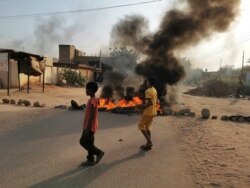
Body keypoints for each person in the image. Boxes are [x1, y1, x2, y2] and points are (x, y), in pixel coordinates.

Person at [79, 81, 104, 166]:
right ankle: (90, 160)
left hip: (89, 126)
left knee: (82, 142)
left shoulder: (92, 101)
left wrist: (87, 128)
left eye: (87, 89)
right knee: (89, 143)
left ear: (91, 90)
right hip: (92, 125)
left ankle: (98, 152)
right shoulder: (94, 100)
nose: (85, 91)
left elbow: (92, 115)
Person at [137, 77, 157, 151]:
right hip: (153, 111)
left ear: (149, 82)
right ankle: (148, 144)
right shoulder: (154, 90)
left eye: (147, 81)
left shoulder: (148, 91)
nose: (146, 83)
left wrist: (139, 106)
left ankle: (149, 142)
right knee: (147, 127)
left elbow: (149, 103)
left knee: (140, 126)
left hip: (148, 112)